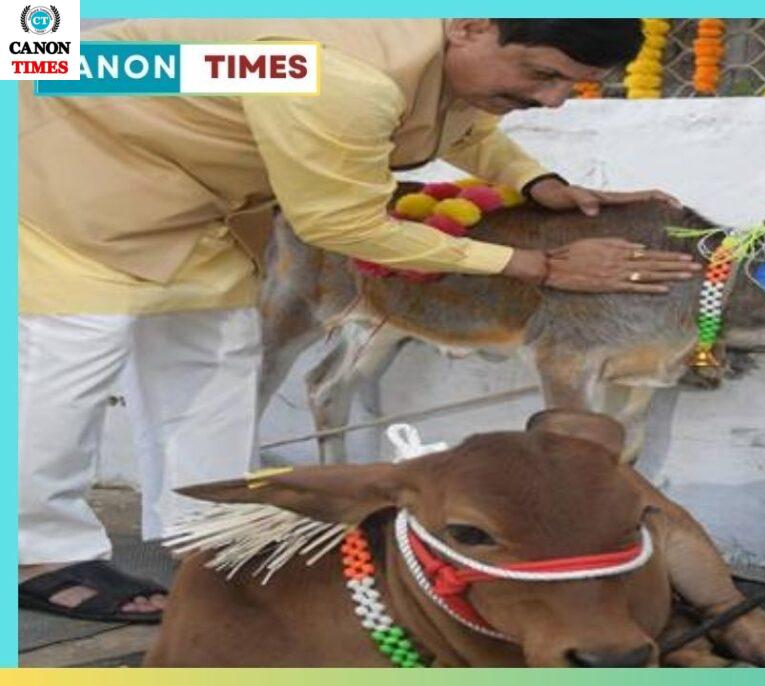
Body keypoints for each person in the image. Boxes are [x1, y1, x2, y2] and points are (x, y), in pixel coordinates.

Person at [18, 19, 701, 623]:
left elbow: (466, 127)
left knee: (218, 357)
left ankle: (214, 536)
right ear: (470, 28)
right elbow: (339, 222)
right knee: (73, 353)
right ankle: (39, 557)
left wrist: (540, 187)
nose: (550, 99)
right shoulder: (339, 75)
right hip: (70, 160)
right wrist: (538, 266)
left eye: (569, 87)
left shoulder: (422, 59)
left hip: (190, 190)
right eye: (543, 75)